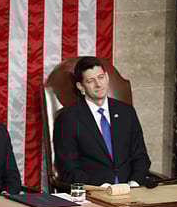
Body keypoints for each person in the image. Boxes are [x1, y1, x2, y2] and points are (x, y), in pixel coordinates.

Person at [53, 56, 151, 187]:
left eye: (101, 77)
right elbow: (69, 169)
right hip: (94, 193)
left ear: (107, 77)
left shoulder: (127, 112)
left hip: (130, 190)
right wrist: (100, 186)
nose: (98, 84)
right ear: (81, 86)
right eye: (90, 81)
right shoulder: (68, 119)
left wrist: (134, 183)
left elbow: (141, 157)